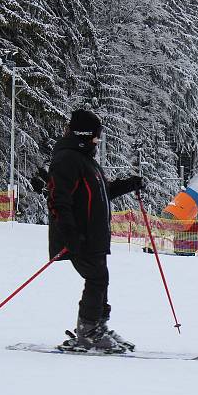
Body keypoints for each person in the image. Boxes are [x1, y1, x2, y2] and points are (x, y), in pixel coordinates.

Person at [47, 109, 144, 352]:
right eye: (95, 137)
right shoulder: (67, 159)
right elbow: (59, 199)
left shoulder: (87, 161)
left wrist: (126, 185)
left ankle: (97, 326)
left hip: (95, 236)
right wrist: (69, 232)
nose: (97, 142)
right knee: (97, 278)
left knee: (101, 278)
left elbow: (101, 194)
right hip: (79, 236)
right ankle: (88, 331)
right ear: (83, 135)